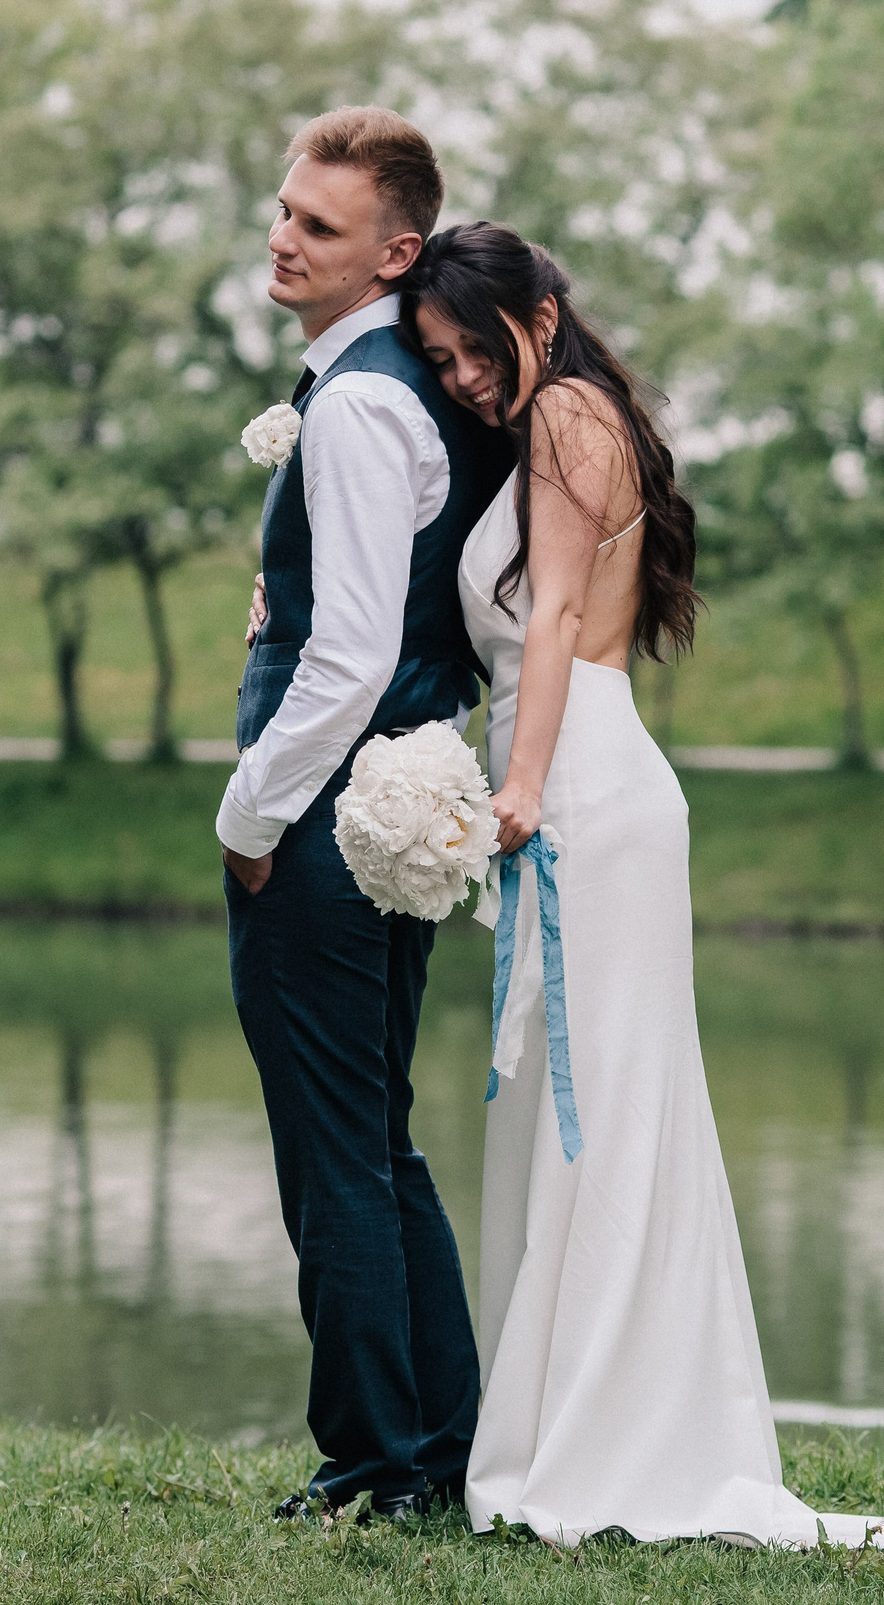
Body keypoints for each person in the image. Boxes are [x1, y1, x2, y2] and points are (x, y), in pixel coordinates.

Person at [401, 222, 884, 1552]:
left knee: (609, 1115)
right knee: (571, 1117)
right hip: (567, 772)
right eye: (441, 359)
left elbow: (565, 626)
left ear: (539, 313)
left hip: (583, 783)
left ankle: (611, 1441)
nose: (465, 376)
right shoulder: (559, 423)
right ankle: (551, 1431)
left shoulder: (568, 418)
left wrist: (517, 786)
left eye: (474, 348)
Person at [217, 108, 513, 1524]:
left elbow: (342, 655)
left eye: (317, 226)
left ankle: (375, 1466)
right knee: (376, 1141)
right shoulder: (416, 386)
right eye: (283, 211)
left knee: (334, 1152)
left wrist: (250, 815)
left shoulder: (359, 406)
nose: (283, 236)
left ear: (394, 253)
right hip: (403, 811)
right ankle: (434, 1452)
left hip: (334, 821)